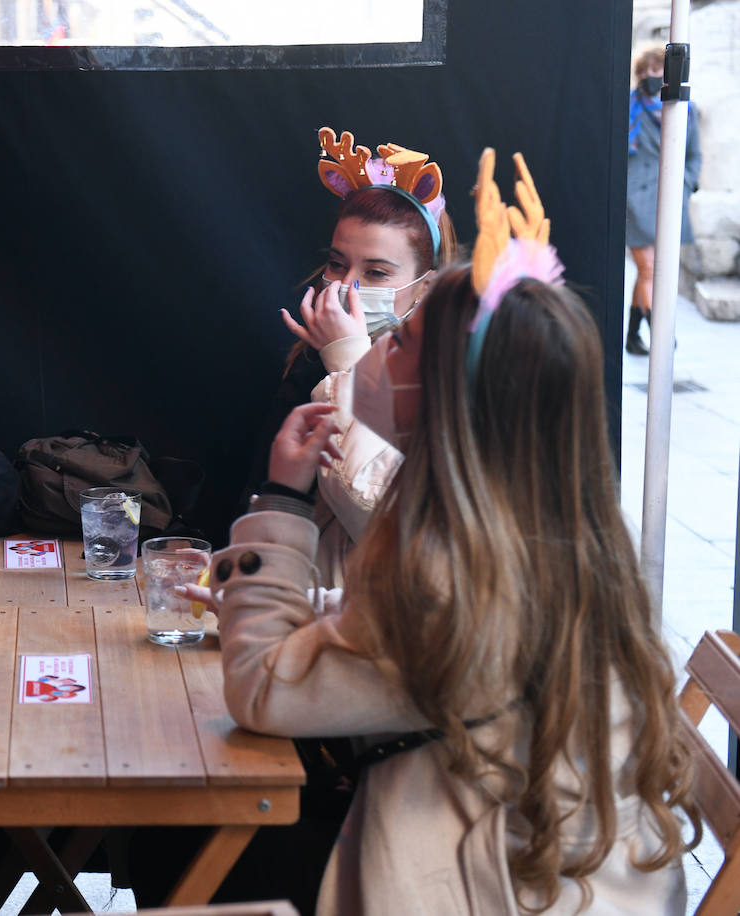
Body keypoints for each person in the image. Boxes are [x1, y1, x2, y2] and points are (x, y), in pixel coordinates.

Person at [214, 149, 699, 914]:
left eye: (401, 339)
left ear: (440, 393)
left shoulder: (449, 583)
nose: (381, 343)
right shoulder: (571, 543)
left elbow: (262, 688)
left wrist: (280, 497)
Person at [258, 127, 459, 587]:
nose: (346, 285)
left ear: (423, 288)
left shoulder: (450, 380)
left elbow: (381, 519)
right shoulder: (307, 363)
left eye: (376, 272)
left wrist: (348, 363)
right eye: (337, 264)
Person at [625, 45, 702, 356]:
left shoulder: (686, 109)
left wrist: (685, 184)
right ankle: (661, 334)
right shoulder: (629, 108)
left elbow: (694, 153)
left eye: (654, 72)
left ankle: (632, 334)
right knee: (649, 269)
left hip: (668, 199)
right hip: (635, 199)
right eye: (642, 73)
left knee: (650, 271)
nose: (648, 78)